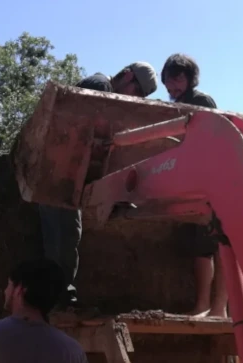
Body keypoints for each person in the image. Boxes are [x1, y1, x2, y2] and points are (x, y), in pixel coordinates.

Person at [40, 62, 159, 309]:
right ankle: (57, 298)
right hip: (57, 174)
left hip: (65, 175)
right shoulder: (100, 86)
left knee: (67, 234)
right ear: (127, 76)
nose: (136, 99)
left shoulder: (103, 90)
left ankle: (60, 295)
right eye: (137, 92)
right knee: (62, 236)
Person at [161, 53, 225, 317]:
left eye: (178, 80)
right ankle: (203, 305)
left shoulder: (200, 101)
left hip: (213, 182)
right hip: (195, 185)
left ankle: (218, 308)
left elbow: (210, 141)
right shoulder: (178, 104)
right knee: (201, 248)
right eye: (169, 81)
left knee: (219, 246)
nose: (172, 86)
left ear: (189, 78)